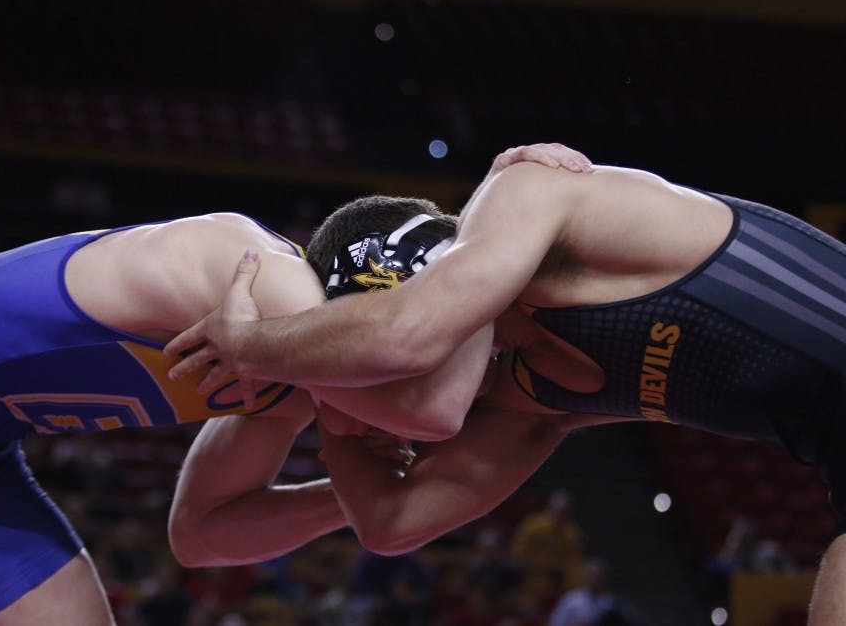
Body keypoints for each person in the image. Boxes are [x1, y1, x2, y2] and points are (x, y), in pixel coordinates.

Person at [0, 143, 589, 625]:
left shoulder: (289, 378)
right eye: (406, 354)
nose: (383, 419)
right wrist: (503, 219)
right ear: (368, 305)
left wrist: (349, 491)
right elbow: (433, 413)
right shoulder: (250, 268)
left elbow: (199, 535)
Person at [166, 145, 845, 622]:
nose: (359, 410)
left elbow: (410, 342)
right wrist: (332, 403)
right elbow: (389, 521)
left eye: (373, 382)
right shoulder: (523, 408)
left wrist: (256, 346)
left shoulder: (533, 197)